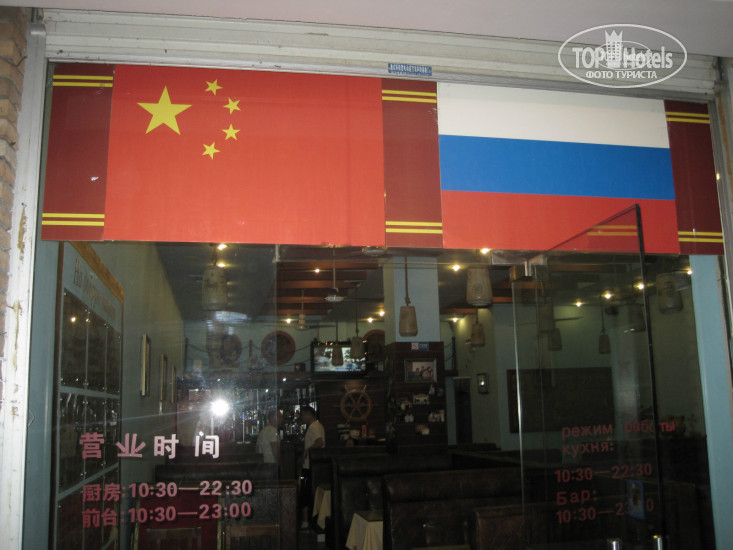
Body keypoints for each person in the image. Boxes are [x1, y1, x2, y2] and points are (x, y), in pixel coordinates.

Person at [299, 405, 325, 527]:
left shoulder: (313, 426)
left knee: (305, 492)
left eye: (303, 415)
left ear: (309, 415)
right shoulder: (319, 425)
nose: (302, 417)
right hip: (316, 466)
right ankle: (314, 521)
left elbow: (320, 442)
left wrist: (306, 450)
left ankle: (305, 522)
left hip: (309, 466)